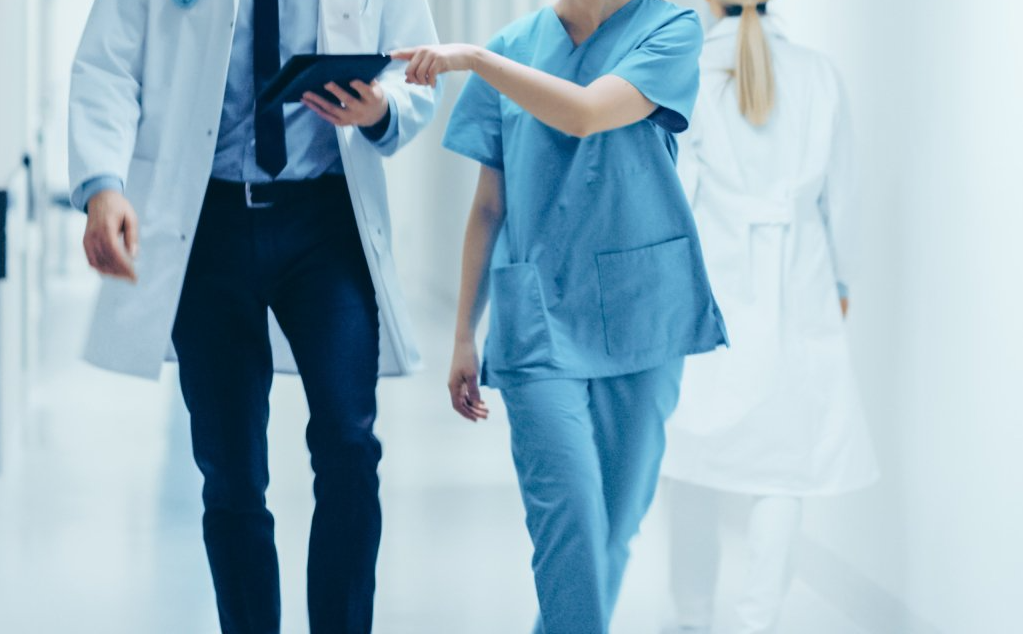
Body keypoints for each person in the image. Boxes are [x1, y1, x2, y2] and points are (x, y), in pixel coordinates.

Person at [68, 1, 440, 632]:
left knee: (350, 447)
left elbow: (414, 64)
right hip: (208, 224)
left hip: (326, 221)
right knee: (231, 471)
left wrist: (383, 109)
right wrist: (103, 183)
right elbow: (106, 67)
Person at [393, 1, 728, 631]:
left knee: (610, 534)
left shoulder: (670, 26)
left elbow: (586, 113)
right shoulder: (516, 43)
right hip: (538, 319)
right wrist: (464, 333)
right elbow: (490, 205)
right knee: (569, 533)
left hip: (643, 314)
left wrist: (475, 61)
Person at [658, 2, 880, 633]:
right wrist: (839, 286)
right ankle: (760, 621)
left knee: (694, 460)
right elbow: (845, 196)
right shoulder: (819, 74)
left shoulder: (689, 71)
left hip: (710, 290)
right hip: (798, 283)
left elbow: (675, 193)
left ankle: (692, 618)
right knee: (786, 466)